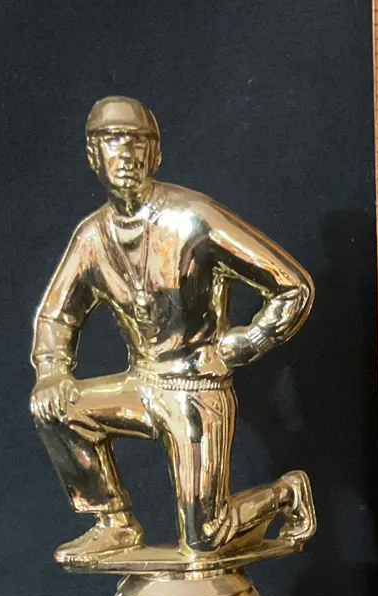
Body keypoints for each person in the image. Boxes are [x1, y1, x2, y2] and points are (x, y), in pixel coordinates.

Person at [30, 96, 316, 565]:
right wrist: (51, 371)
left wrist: (248, 342)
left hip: (196, 391)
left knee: (205, 537)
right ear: (93, 156)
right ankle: (113, 523)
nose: (125, 155)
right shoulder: (92, 237)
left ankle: (286, 493)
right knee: (54, 407)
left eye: (137, 142)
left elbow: (292, 287)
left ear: (156, 154)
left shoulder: (194, 217)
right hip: (141, 386)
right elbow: (56, 317)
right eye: (112, 142)